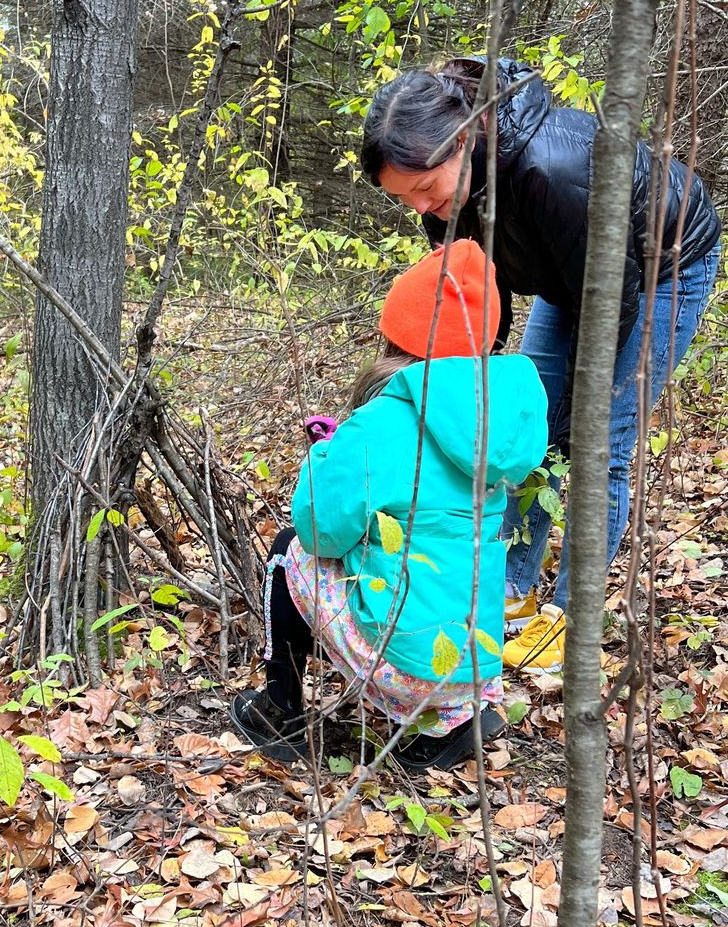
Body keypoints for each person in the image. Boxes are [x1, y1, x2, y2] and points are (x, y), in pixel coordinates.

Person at [360, 57, 722, 673]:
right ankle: (506, 592)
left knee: (594, 442)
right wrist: (479, 390)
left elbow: (613, 303)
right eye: (405, 197)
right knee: (525, 432)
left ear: (463, 141)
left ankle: (567, 621)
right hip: (570, 274)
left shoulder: (555, 171)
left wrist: (584, 405)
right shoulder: (448, 196)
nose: (423, 207)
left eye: (425, 188)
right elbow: (475, 288)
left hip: (659, 267)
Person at [231, 241, 549, 769]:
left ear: (397, 335)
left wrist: (326, 460)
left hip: (407, 663)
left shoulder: (381, 424)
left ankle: (279, 708)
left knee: (288, 552)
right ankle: (455, 721)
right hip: (474, 659)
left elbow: (320, 532)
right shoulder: (500, 422)